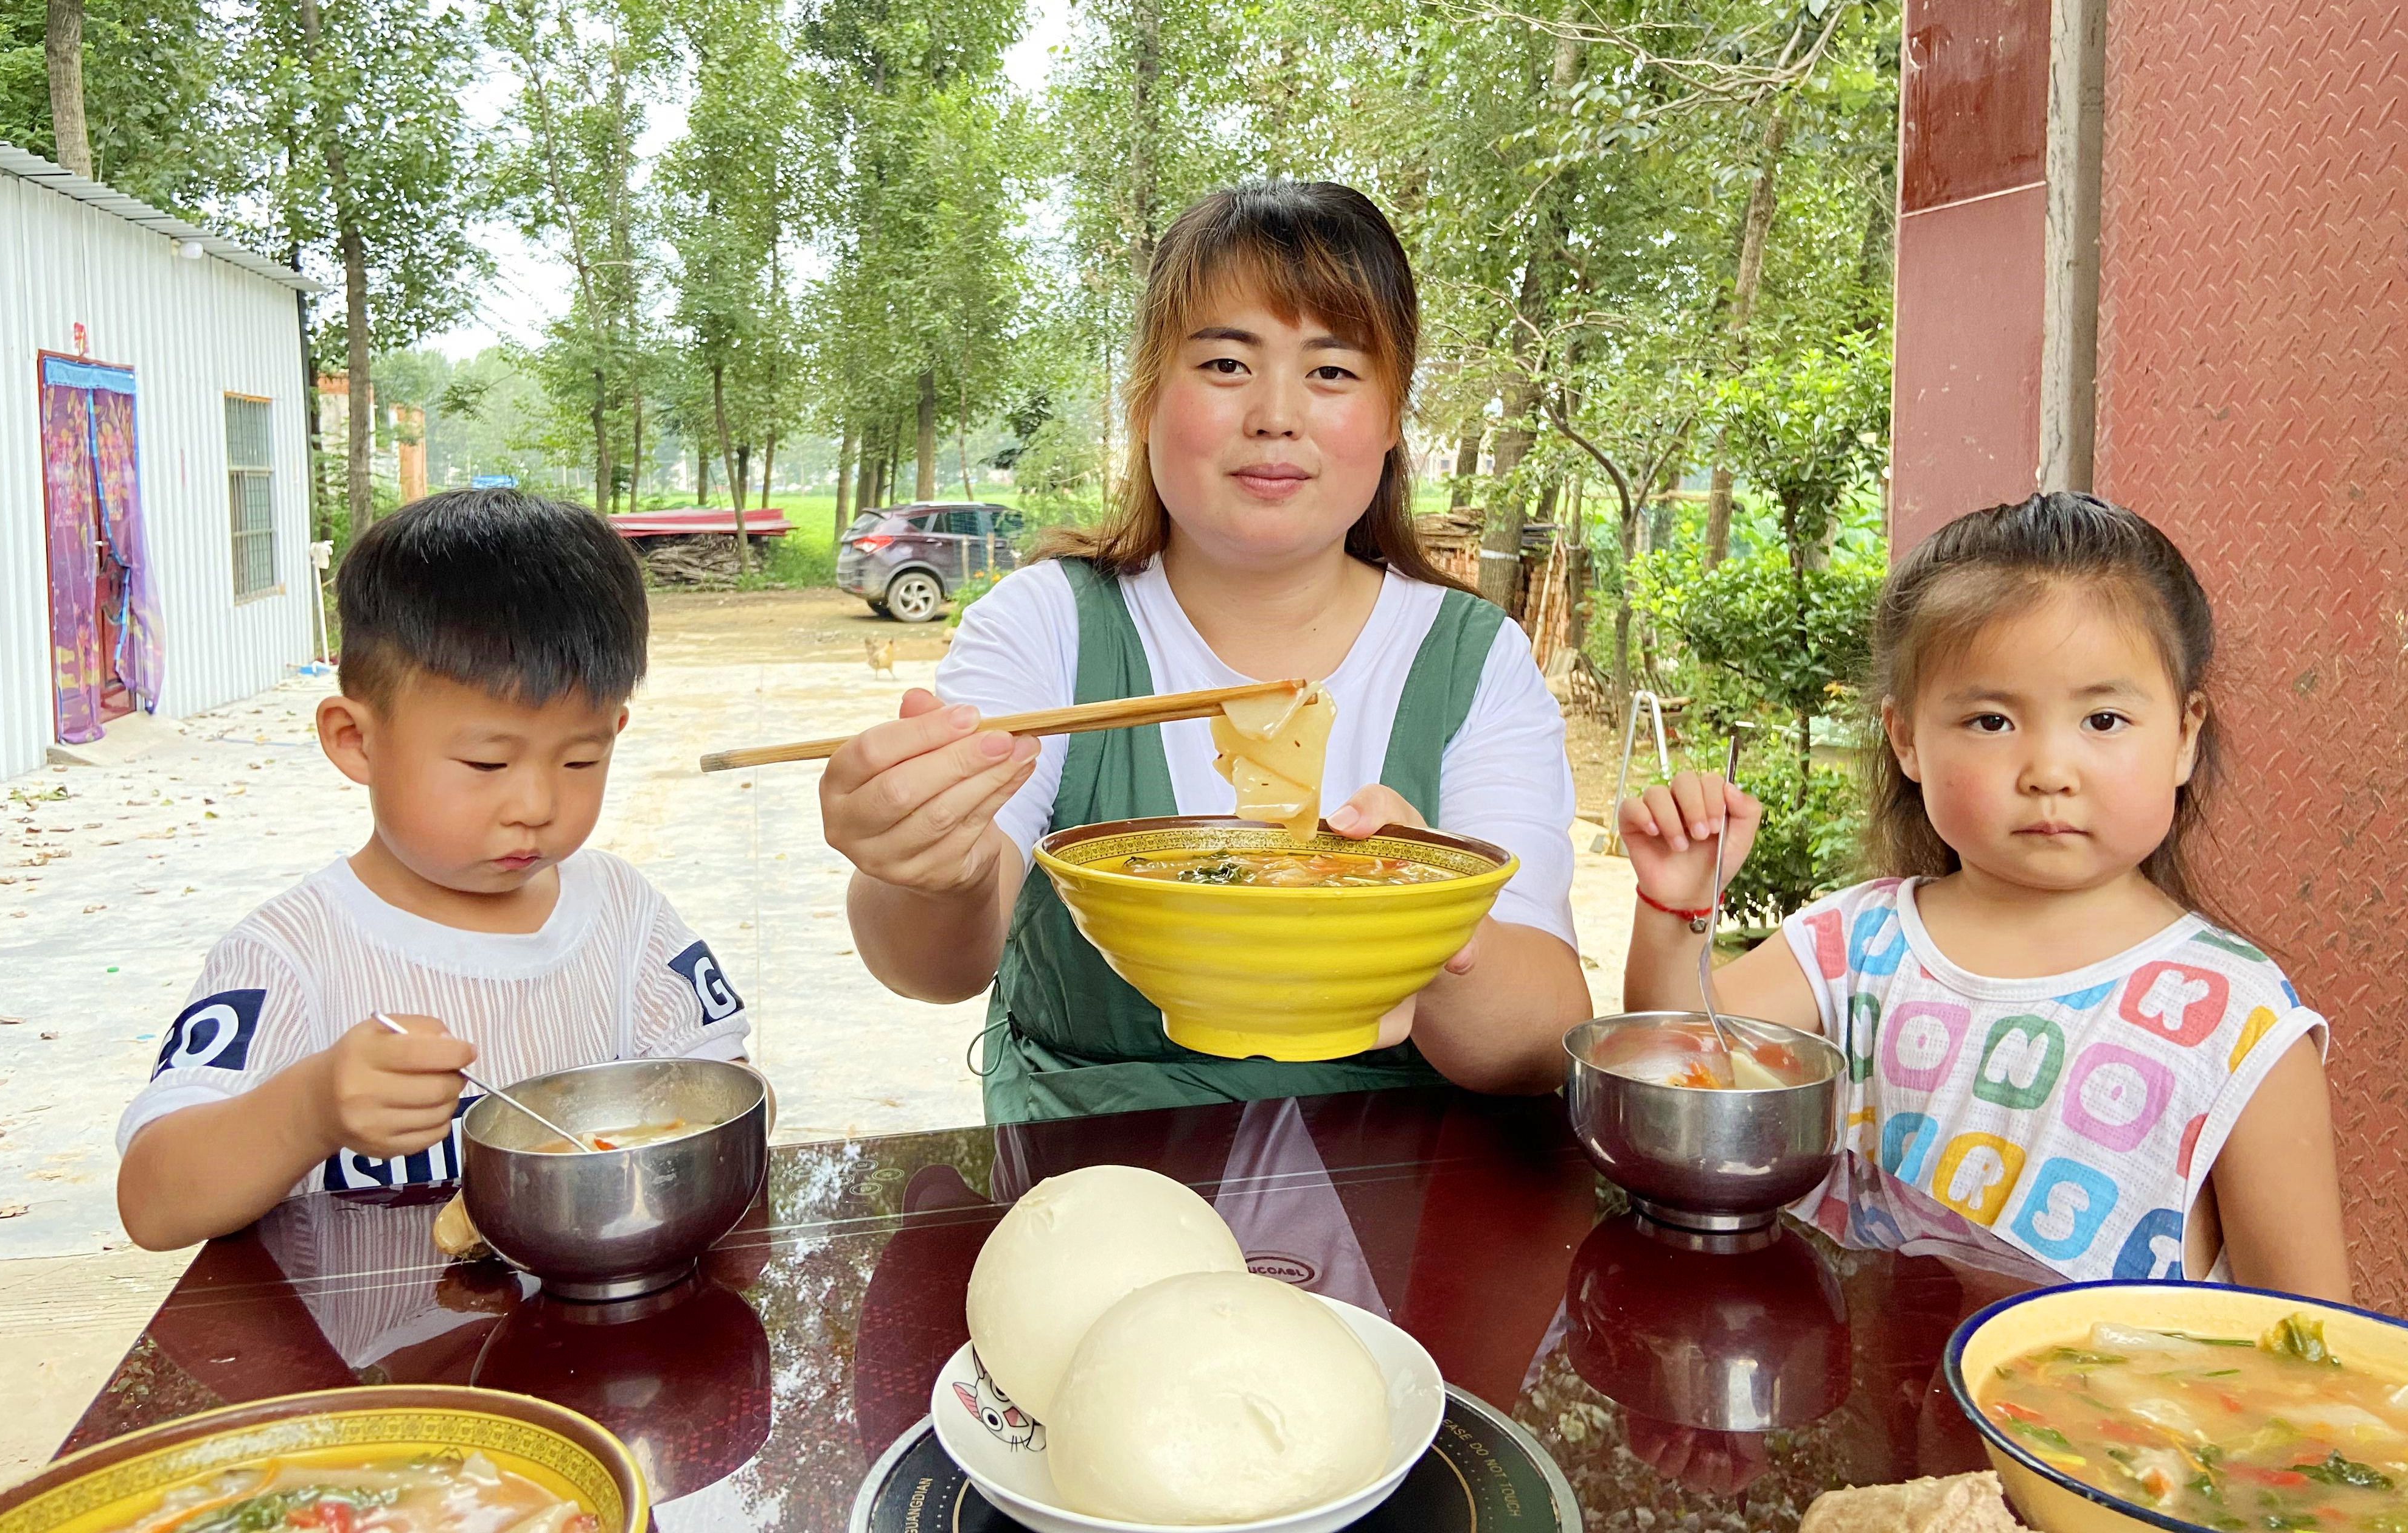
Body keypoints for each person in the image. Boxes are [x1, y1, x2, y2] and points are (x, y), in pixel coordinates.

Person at [819, 181, 1590, 1122]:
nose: (1275, 413)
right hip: (1093, 1179)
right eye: (1227, 363)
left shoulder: (1477, 658)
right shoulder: (1046, 625)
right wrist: (928, 863)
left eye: (1333, 372)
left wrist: (1434, 923)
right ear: (1148, 399)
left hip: (1401, 1185)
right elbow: (933, 966)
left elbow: (1539, 1046)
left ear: (1392, 423)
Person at [1620, 492, 2349, 1298]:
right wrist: (1677, 909)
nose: (2048, 770)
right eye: (1993, 722)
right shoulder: (1856, 943)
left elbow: (2310, 1343)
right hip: (1859, 1419)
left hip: (2099, 1427)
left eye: (2104, 720)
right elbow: (1677, 1072)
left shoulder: (2239, 1021)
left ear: (2183, 733)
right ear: (1906, 740)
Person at [115, 489, 751, 1251]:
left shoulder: (625, 913)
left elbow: (737, 1100)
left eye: (582, 757)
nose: (537, 804)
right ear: (355, 740)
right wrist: (310, 1107)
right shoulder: (291, 953)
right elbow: (154, 1204)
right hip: (374, 1358)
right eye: (487, 762)